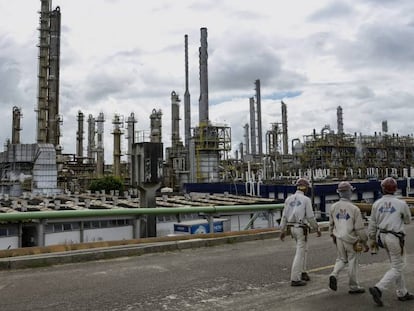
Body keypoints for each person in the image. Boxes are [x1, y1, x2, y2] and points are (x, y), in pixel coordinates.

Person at [368, 177, 413, 306]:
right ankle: (379, 288)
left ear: (382, 189)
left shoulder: (376, 204)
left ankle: (402, 292)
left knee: (395, 264)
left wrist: (372, 239)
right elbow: (408, 220)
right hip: (394, 237)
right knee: (398, 266)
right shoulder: (401, 204)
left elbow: (372, 223)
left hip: (382, 236)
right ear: (395, 189)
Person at [328, 181, 369, 294]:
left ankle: (334, 274)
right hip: (351, 239)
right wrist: (365, 242)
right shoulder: (354, 209)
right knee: (352, 261)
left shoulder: (333, 207)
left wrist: (332, 235)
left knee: (341, 259)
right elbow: (359, 229)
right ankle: (353, 286)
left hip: (339, 237)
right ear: (349, 192)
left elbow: (331, 224)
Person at [280, 177, 321, 286]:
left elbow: (284, 216)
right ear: (306, 188)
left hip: (291, 227)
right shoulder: (306, 200)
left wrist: (282, 230)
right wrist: (317, 228)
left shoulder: (288, 199)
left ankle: (303, 272)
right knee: (300, 252)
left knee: (304, 250)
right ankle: (295, 278)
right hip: (301, 228)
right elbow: (311, 217)